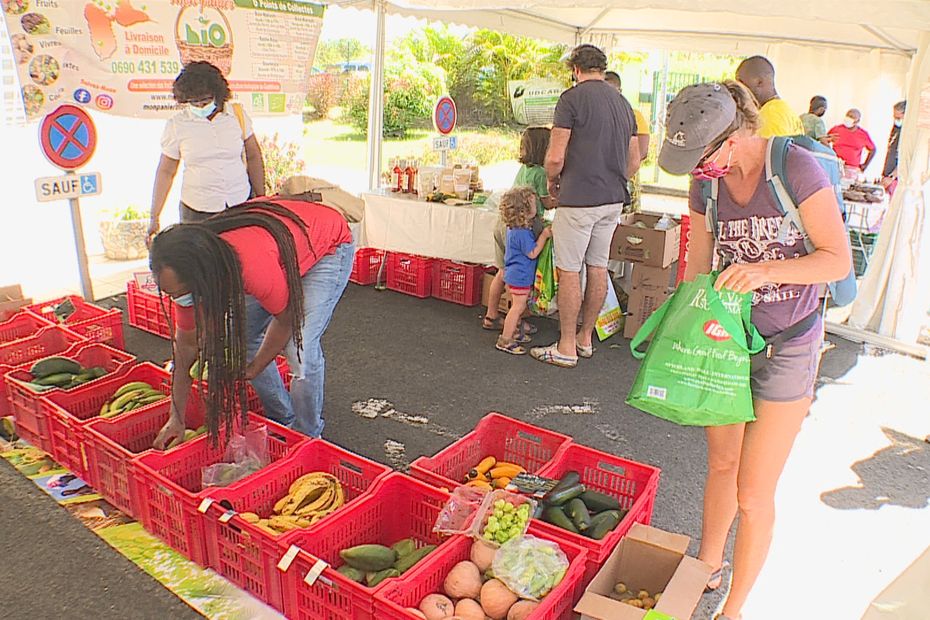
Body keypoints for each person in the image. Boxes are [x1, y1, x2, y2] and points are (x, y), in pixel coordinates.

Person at [658, 81, 851, 620]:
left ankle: (735, 607)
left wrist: (765, 271)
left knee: (752, 492)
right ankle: (708, 565)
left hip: (791, 342)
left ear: (732, 138)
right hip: (730, 342)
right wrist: (681, 328)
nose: (698, 175)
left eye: (702, 161)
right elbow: (698, 265)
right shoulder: (708, 188)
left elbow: (836, 261)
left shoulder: (796, 169)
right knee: (721, 463)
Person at [149, 198, 355, 445]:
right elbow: (185, 351)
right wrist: (176, 417)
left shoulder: (248, 264)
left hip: (327, 246)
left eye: (180, 292)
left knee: (300, 349)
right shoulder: (192, 280)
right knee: (242, 342)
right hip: (280, 247)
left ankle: (307, 434)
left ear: (202, 277)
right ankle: (282, 418)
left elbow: (286, 317)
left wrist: (257, 366)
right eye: (171, 294)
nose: (179, 300)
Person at [531, 44, 640, 368]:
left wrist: (553, 180)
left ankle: (565, 346)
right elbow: (635, 159)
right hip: (612, 200)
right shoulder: (623, 103)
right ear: (603, 70)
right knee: (597, 267)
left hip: (578, 199)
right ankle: (584, 338)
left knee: (569, 271)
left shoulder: (571, 99)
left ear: (575, 70)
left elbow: (554, 156)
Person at [148, 61, 265, 244]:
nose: (201, 105)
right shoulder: (177, 125)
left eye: (205, 100)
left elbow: (254, 155)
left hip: (239, 202)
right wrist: (154, 216)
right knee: (203, 266)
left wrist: (261, 196)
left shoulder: (237, 115)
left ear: (218, 95)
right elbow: (166, 172)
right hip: (197, 211)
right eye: (194, 102)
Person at [483, 127, 552, 334]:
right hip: (522, 227)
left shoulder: (524, 169)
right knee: (519, 275)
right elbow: (547, 203)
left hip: (504, 223)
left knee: (503, 271)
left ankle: (491, 314)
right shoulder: (540, 173)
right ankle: (516, 320)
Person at [495, 187, 553, 355]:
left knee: (517, 306)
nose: (537, 206)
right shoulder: (522, 233)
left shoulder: (514, 229)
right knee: (518, 308)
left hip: (512, 274)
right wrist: (544, 236)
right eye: (533, 203)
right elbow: (532, 253)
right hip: (519, 276)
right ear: (524, 210)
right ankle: (505, 339)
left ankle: (515, 331)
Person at [606, 70, 650, 212]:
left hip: (625, 178)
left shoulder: (634, 114)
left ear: (620, 91)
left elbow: (641, 152)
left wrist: (620, 177)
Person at [735, 55, 803, 138]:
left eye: (741, 82)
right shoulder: (782, 109)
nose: (739, 88)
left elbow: (768, 150)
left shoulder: (770, 114)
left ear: (759, 82)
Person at [828, 109, 877, 174]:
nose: (849, 119)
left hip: (852, 169)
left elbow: (873, 150)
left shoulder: (863, 134)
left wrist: (865, 165)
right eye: (848, 116)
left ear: (858, 121)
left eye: (852, 117)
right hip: (835, 165)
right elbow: (825, 140)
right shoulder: (836, 129)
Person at [881, 101, 906, 196]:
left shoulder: (907, 134)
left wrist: (892, 176)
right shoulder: (896, 129)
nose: (896, 120)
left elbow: (904, 157)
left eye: (898, 118)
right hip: (887, 175)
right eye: (894, 117)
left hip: (895, 178)